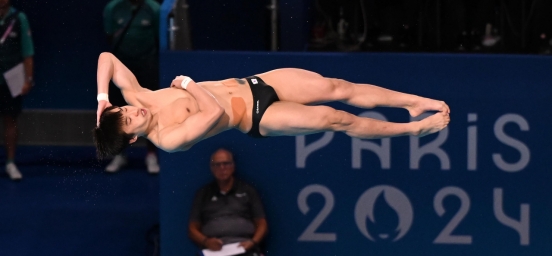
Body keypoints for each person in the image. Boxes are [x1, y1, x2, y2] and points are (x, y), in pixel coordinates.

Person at [93, 52, 450, 158]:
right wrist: (187, 84)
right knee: (334, 118)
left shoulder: (138, 97)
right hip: (258, 116)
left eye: (123, 111)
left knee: (337, 86)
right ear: (134, 139)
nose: (132, 112)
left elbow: (106, 58)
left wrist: (103, 99)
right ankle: (414, 129)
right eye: (128, 121)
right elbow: (214, 111)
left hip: (257, 82)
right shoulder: (168, 138)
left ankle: (415, 104)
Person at [102, 0, 160, 174]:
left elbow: (159, 38)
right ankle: (120, 154)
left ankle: (151, 154)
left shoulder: (153, 9)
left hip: (147, 66)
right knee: (118, 111)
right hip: (121, 67)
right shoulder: (113, 8)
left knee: (150, 109)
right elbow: (109, 35)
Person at [0, 0, 34, 180]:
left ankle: (10, 162)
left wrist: (28, 79)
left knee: (10, 120)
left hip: (11, 79)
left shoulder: (18, 18)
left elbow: (27, 52)